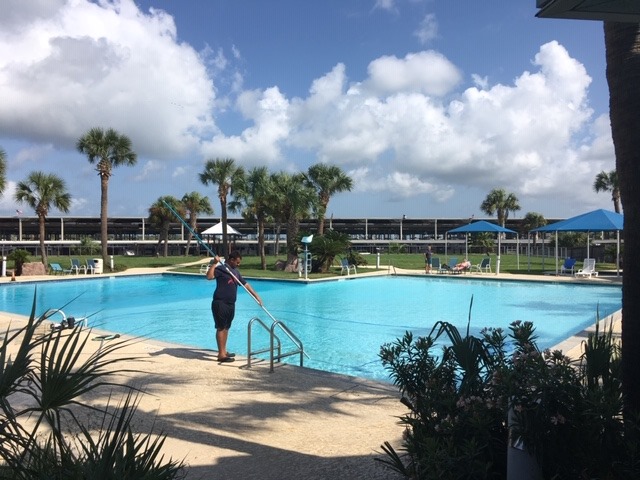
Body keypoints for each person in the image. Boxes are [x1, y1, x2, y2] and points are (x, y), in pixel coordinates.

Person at [206, 250, 262, 363]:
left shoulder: (235, 272)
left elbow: (245, 284)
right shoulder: (221, 269)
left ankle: (223, 351)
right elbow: (209, 277)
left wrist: (256, 295)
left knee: (226, 327)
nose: (238, 264)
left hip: (231, 304)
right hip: (220, 302)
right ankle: (221, 355)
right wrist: (214, 263)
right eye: (237, 262)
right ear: (231, 260)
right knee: (221, 327)